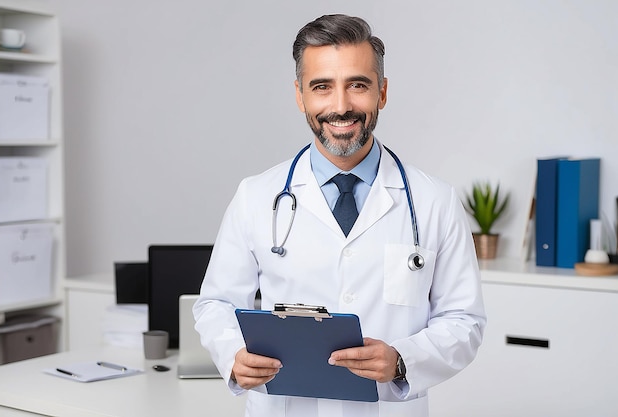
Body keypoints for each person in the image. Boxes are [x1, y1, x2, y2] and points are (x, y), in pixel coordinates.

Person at [194, 14, 486, 417]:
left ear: (382, 93)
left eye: (358, 85)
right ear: (300, 96)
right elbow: (215, 303)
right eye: (322, 87)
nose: (341, 106)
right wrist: (233, 355)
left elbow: (464, 320)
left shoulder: (434, 200)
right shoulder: (255, 196)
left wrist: (403, 359)